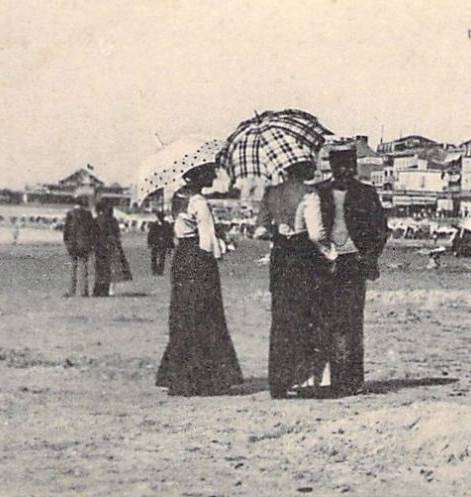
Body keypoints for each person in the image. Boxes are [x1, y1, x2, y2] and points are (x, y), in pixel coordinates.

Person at [155, 163, 243, 396]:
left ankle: (179, 376)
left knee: (183, 313)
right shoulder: (199, 202)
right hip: (198, 260)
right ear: (200, 174)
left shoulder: (178, 196)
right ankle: (205, 378)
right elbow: (207, 241)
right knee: (206, 314)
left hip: (181, 257)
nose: (214, 176)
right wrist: (223, 246)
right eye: (210, 172)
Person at [315, 144, 388, 396]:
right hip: (324, 263)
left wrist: (369, 255)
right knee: (328, 322)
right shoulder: (319, 192)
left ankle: (353, 380)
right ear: (332, 167)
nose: (344, 171)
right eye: (339, 166)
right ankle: (334, 379)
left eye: (349, 165)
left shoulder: (366, 193)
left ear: (355, 167)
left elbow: (380, 227)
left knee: (353, 323)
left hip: (354, 262)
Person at [256, 160, 330, 398]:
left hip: (280, 256)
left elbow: (260, 229)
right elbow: (316, 233)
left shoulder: (271, 193)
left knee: (281, 317)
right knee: (305, 315)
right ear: (305, 170)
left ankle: (278, 381)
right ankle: (302, 378)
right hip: (301, 255)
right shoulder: (309, 194)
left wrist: (280, 230)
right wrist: (330, 251)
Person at [91, 204, 132, 296]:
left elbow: (93, 234)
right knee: (111, 268)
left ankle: (98, 289)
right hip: (112, 246)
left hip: (100, 246)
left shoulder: (97, 220)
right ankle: (107, 289)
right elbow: (117, 234)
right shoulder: (113, 220)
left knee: (100, 269)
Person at [62, 198, 98, 296]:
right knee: (84, 268)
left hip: (73, 244)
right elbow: (93, 230)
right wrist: (92, 244)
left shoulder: (70, 214)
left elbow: (66, 231)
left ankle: (71, 291)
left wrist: (67, 243)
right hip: (84, 244)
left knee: (73, 267)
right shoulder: (88, 214)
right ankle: (84, 291)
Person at [147, 210, 175, 276]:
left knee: (162, 258)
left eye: (161, 217)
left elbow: (170, 234)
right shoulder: (154, 225)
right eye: (159, 217)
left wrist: (171, 244)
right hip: (155, 243)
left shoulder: (167, 224)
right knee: (154, 257)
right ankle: (154, 270)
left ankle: (160, 271)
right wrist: (150, 243)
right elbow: (150, 234)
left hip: (163, 243)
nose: (160, 218)